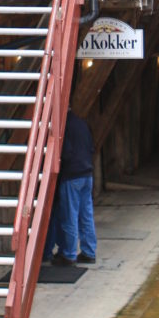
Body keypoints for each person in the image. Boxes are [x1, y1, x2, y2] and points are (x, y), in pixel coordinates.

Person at [50, 111, 97, 264]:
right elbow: (91, 146)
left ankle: (69, 254)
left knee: (70, 215)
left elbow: (65, 153)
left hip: (72, 175)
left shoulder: (64, 126)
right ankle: (89, 252)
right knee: (86, 214)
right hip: (87, 173)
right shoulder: (82, 123)